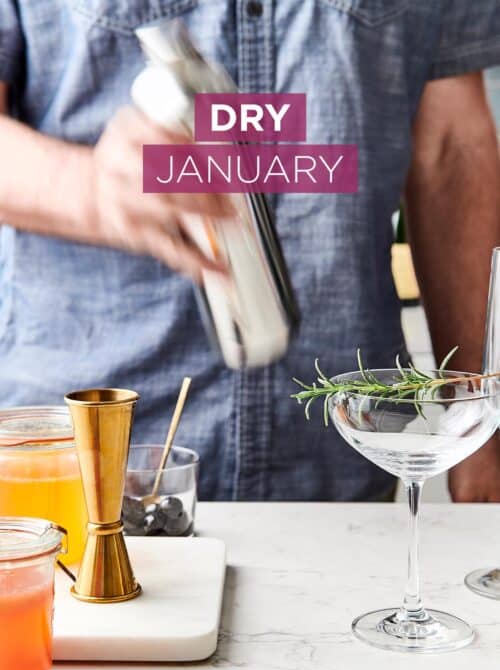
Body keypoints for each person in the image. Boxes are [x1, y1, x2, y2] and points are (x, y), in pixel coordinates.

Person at [0, 1, 498, 502]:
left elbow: (450, 149)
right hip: (82, 441)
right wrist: (89, 188)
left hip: (338, 450)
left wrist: (484, 437)